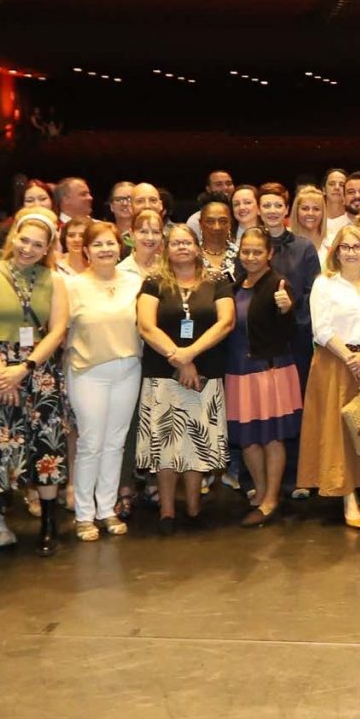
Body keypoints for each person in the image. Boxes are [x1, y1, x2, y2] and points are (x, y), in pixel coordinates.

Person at [0, 211, 72, 554]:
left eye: (37, 245)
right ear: (13, 237)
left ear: (48, 249)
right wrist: (1, 373)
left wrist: (25, 368)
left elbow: (57, 330)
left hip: (38, 371)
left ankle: (48, 527)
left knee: (47, 447)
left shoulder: (54, 280)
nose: (28, 248)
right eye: (24, 240)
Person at [136, 222, 236, 531]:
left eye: (187, 242)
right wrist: (178, 358)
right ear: (167, 249)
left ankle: (194, 507)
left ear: (197, 247)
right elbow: (146, 326)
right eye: (175, 243)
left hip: (205, 373)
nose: (181, 247)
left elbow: (226, 322)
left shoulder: (218, 281)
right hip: (163, 374)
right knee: (166, 447)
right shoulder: (153, 283)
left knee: (197, 444)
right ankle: (167, 511)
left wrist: (190, 354)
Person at [300, 226, 360, 527]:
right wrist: (349, 357)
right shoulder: (324, 284)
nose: (352, 251)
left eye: (357, 246)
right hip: (335, 362)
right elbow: (321, 328)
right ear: (336, 251)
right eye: (346, 246)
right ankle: (347, 495)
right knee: (339, 429)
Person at [62, 221, 145, 539]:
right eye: (97, 245)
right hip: (87, 372)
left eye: (110, 243)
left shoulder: (134, 282)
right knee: (91, 443)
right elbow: (60, 331)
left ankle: (106, 510)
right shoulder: (71, 286)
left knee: (115, 443)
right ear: (85, 250)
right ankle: (84, 514)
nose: (105, 249)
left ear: (119, 247)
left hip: (127, 369)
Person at [223, 227, 303, 523]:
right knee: (247, 439)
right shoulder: (233, 286)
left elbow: (290, 332)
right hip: (238, 372)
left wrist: (287, 310)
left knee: (271, 438)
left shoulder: (279, 284)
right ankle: (260, 489)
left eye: (258, 251)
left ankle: (271, 498)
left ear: (269, 253)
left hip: (269, 371)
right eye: (246, 251)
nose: (251, 257)